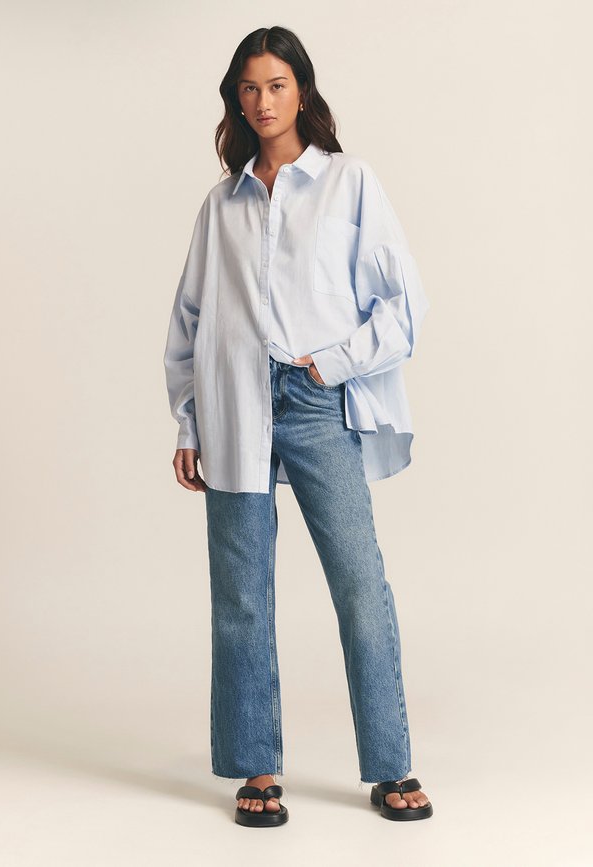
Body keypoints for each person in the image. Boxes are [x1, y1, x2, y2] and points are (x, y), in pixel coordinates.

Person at [163, 25, 433, 828]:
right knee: (241, 595)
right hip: (233, 404)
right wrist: (188, 425)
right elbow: (190, 321)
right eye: (248, 88)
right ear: (236, 100)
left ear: (302, 91)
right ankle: (257, 767)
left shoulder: (348, 182)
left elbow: (404, 306)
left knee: (359, 581)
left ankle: (391, 762)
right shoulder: (222, 205)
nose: (262, 101)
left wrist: (332, 363)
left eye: (276, 85)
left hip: (316, 400)